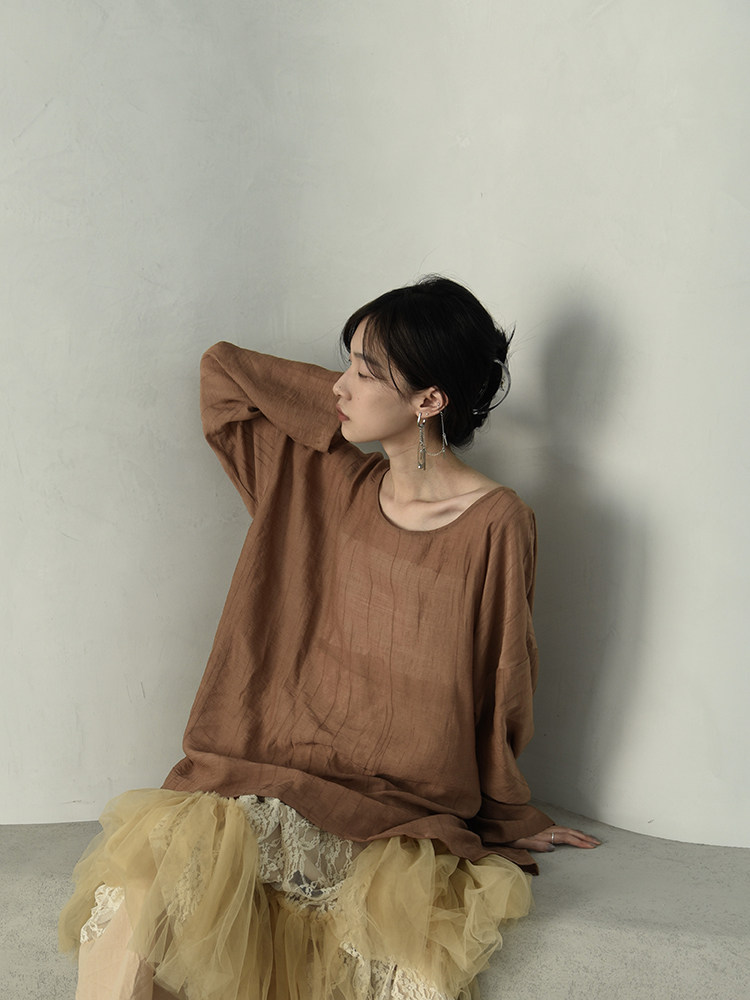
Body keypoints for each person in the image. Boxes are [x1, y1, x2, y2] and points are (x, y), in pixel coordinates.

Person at [60, 275, 600, 1000]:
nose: (340, 386)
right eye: (345, 363)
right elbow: (224, 377)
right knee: (149, 881)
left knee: (196, 880)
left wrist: (506, 813)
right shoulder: (317, 475)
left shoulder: (498, 522)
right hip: (268, 774)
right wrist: (357, 404)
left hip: (395, 806)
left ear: (430, 399)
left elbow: (503, 676)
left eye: (364, 372)